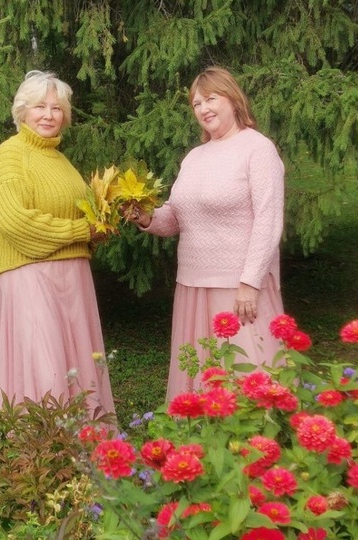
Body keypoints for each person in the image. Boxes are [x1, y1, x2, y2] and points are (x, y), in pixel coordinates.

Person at [124, 66, 285, 401]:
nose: (204, 108)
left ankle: (256, 446)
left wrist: (250, 282)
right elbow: (177, 218)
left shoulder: (258, 149)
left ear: (232, 99)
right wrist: (144, 216)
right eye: (197, 104)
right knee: (200, 373)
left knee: (247, 376)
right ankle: (201, 444)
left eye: (211, 98)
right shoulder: (194, 158)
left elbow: (268, 219)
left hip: (238, 286)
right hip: (193, 286)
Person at [0, 70, 116, 418]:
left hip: (73, 280)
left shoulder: (62, 162)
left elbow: (84, 216)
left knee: (75, 363)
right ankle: (45, 450)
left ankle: (87, 441)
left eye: (56, 108)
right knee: (44, 364)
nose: (48, 115)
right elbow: (14, 221)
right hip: (30, 278)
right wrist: (81, 232)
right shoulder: (10, 154)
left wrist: (101, 226)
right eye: (39, 106)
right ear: (22, 112)